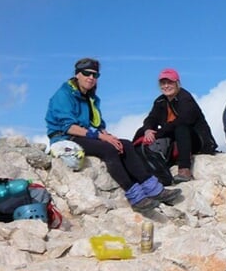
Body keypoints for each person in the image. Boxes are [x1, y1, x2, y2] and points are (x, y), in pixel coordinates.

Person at [45, 58, 182, 213]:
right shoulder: (64, 94)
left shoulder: (90, 97)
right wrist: (101, 137)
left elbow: (97, 124)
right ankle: (135, 197)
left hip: (84, 134)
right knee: (108, 149)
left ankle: (154, 189)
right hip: (65, 137)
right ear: (77, 74)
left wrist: (108, 136)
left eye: (95, 75)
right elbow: (68, 127)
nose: (91, 78)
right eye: (87, 73)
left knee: (125, 145)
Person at [135, 68, 218, 182]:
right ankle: (136, 163)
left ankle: (184, 170)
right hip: (175, 139)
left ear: (177, 83)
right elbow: (151, 118)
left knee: (181, 128)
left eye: (170, 82)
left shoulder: (185, 98)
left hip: (197, 140)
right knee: (142, 131)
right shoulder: (160, 101)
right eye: (163, 83)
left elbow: (183, 121)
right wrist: (148, 130)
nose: (166, 86)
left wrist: (158, 134)